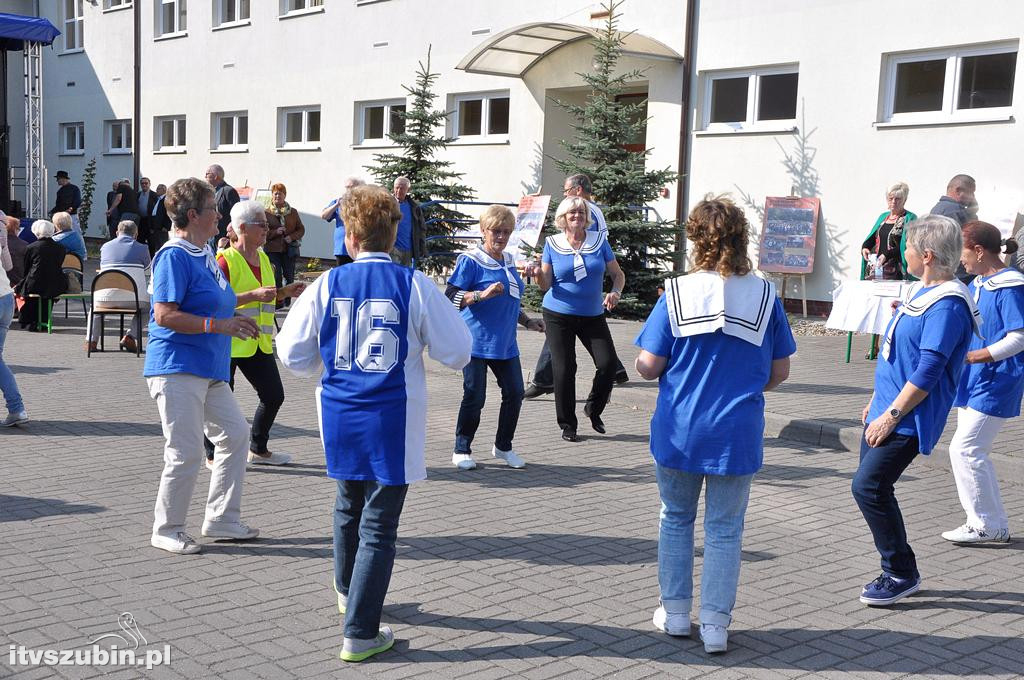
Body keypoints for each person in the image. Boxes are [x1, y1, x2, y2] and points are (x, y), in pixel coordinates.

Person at [277, 184, 471, 662]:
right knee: (379, 525)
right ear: (394, 233)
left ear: (349, 237)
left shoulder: (325, 284)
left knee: (348, 504)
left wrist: (328, 365)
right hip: (392, 416)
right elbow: (458, 352)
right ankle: (360, 630)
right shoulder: (414, 285)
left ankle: (349, 593)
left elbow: (291, 353)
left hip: (341, 411)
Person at [635, 195, 795, 654]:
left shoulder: (676, 292)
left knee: (676, 518)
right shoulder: (766, 295)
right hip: (737, 427)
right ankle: (716, 625)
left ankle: (677, 613)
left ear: (695, 239)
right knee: (726, 528)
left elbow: (648, 365)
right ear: (741, 238)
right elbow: (780, 372)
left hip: (681, 425)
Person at [853, 215, 980, 606]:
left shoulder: (948, 305)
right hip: (885, 408)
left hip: (907, 417)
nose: (899, 251)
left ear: (925, 255)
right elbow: (899, 355)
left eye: (905, 246)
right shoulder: (921, 292)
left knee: (869, 488)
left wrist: (891, 414)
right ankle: (898, 568)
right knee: (873, 489)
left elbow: (929, 368)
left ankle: (900, 572)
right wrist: (877, 401)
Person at [145, 177, 262, 555]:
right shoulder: (174, 255)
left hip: (208, 369)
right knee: (187, 451)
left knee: (236, 435)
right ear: (193, 215)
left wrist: (247, 303)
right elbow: (164, 314)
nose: (220, 215)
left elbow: (216, 301)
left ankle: (221, 517)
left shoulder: (204, 251)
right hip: (177, 367)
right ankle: (167, 528)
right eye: (214, 209)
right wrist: (220, 325)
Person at [202, 201, 306, 468]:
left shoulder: (263, 258)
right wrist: (252, 296)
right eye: (262, 224)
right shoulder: (224, 260)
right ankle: (212, 454)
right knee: (220, 399)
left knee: (274, 395)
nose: (268, 229)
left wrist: (284, 292)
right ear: (243, 228)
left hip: (257, 341)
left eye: (267, 224)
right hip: (228, 341)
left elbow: (267, 298)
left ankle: (258, 448)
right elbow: (214, 303)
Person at [942, 221, 1023, 544]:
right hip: (975, 379)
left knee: (966, 449)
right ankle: (986, 521)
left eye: (962, 252)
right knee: (970, 450)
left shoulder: (1010, 286)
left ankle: (989, 524)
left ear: (978, 250)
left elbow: (1019, 337)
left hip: (997, 379)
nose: (959, 260)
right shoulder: (979, 284)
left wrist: (976, 357)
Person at [445, 205, 544, 470]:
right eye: (496, 231)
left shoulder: (509, 261)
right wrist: (480, 295)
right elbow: (450, 296)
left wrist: (527, 321)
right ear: (483, 230)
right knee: (475, 396)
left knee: (515, 393)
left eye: (506, 232)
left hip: (505, 343)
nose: (501, 237)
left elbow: (511, 300)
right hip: (475, 341)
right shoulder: (471, 260)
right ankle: (462, 448)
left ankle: (503, 446)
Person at [524, 196, 625, 442]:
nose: (577, 216)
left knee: (608, 364)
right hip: (558, 314)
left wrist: (615, 292)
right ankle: (568, 424)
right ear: (563, 218)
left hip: (592, 314)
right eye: (572, 213)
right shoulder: (552, 243)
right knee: (565, 368)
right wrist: (537, 274)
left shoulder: (599, 241)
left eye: (581, 212)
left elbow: (618, 274)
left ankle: (593, 408)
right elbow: (545, 285)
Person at [88, 219, 151, 353]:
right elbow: (147, 269)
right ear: (136, 234)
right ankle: (130, 336)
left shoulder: (105, 247)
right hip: (134, 299)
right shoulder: (142, 248)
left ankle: (91, 341)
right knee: (148, 309)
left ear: (117, 232)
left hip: (105, 297)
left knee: (95, 308)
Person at [16, 220, 68, 332]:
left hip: (35, 281)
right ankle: (44, 320)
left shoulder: (31, 247)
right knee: (47, 293)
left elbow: (27, 267)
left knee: (25, 288)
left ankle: (31, 321)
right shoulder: (60, 248)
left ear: (36, 232)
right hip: (56, 282)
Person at [0, 211, 27, 426]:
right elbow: (8, 266)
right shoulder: (1, 226)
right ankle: (16, 408)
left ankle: (17, 407)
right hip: (5, 297)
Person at [861, 182, 917, 281]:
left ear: (904, 200)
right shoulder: (883, 217)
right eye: (890, 198)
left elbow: (908, 245)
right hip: (876, 269)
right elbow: (873, 237)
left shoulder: (910, 218)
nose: (893, 202)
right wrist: (865, 247)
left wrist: (887, 255)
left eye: (898, 199)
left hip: (896, 271)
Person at [930, 174, 977, 282]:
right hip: (960, 273)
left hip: (941, 269)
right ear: (959, 191)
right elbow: (974, 236)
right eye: (971, 192)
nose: (973, 197)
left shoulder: (937, 208)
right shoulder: (956, 211)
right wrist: (973, 213)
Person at [264, 182, 305, 299]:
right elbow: (262, 231)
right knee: (276, 276)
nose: (277, 196)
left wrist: (291, 237)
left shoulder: (293, 212)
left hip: (289, 250)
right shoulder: (266, 212)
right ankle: (278, 299)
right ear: (272, 195)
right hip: (272, 249)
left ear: (285, 195)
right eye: (275, 194)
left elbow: (301, 229)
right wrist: (275, 232)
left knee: (289, 276)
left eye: (280, 194)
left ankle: (287, 299)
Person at [322, 176, 365, 266]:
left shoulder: (364, 203)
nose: (348, 190)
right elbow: (324, 216)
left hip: (360, 247)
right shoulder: (338, 202)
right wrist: (336, 205)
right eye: (347, 187)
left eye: (351, 187)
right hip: (342, 248)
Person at [391, 176, 427, 267]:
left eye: (402, 188)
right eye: (397, 188)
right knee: (394, 275)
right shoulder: (387, 204)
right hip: (392, 248)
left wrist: (422, 248)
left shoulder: (414, 207)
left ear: (408, 189)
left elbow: (421, 228)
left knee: (406, 277)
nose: (398, 191)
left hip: (408, 249)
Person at [205, 164, 239, 243]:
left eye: (207, 174)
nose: (205, 177)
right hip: (211, 236)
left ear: (215, 176)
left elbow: (236, 215)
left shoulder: (228, 191)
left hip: (223, 237)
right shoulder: (210, 192)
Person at [4, 216, 27, 288]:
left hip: (3, 283)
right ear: (15, 230)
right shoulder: (25, 245)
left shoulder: (2, 244)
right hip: (19, 284)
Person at [137, 177, 159, 246]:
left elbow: (158, 211)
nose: (144, 185)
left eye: (146, 183)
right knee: (140, 241)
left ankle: (151, 256)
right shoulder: (138, 194)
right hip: (140, 221)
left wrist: (154, 225)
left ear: (149, 184)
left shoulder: (154, 195)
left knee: (151, 243)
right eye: (142, 183)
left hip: (150, 222)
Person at [150, 188, 172, 256]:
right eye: (157, 188)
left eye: (159, 189)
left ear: (164, 190)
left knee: (162, 244)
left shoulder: (166, 199)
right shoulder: (158, 199)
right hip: (156, 225)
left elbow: (168, 213)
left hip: (162, 226)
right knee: (156, 244)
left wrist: (166, 226)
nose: (156, 190)